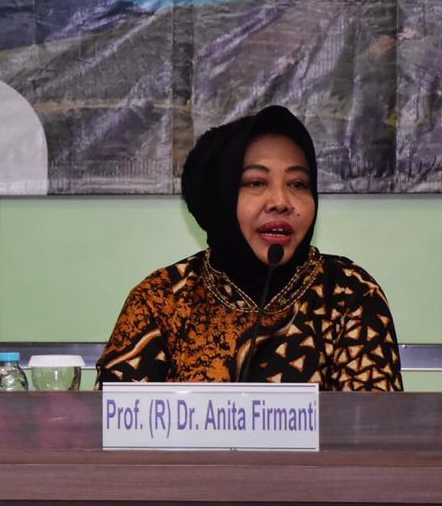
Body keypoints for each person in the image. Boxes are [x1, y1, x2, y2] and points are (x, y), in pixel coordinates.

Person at [97, 105, 402, 390]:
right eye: (256, 182)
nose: (281, 202)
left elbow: (372, 436)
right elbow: (115, 433)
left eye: (297, 184)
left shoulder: (348, 295)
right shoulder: (161, 300)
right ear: (220, 197)